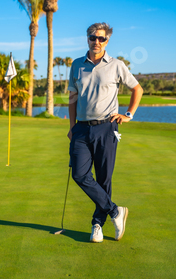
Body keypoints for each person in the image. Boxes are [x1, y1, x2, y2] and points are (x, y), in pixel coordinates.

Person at [67, 22, 143, 243]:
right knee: (80, 175)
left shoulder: (116, 65)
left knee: (103, 178)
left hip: (107, 127)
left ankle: (97, 225)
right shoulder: (77, 65)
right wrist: (71, 126)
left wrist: (128, 114)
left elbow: (137, 89)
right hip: (81, 128)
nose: (96, 42)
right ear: (87, 39)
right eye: (93, 38)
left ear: (107, 41)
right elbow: (72, 97)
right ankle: (116, 211)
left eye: (101, 39)